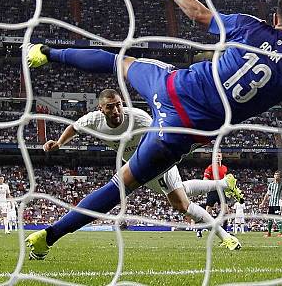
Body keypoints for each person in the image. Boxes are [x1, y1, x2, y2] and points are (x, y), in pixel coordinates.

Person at [24, 0, 282, 256]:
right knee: (121, 185)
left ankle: (45, 53)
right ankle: (48, 237)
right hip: (180, 131)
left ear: (275, 19)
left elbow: (198, 15)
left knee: (116, 62)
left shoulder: (250, 27)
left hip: (170, 85)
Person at [25, 89, 243, 259]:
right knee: (181, 192)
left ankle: (226, 236)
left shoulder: (137, 117)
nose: (116, 111)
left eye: (119, 105)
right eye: (110, 107)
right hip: (136, 166)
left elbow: (162, 135)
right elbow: (74, 127)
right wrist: (59, 143)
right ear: (101, 109)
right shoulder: (93, 120)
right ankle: (223, 184)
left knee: (182, 205)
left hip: (157, 159)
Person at [196, 152, 233, 238]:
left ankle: (225, 231)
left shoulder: (224, 168)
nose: (217, 157)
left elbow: (225, 179)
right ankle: (199, 230)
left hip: (221, 191)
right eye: (216, 156)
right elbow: (205, 178)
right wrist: (206, 185)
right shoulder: (210, 167)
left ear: (221, 158)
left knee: (225, 210)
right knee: (208, 211)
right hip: (212, 190)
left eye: (219, 156)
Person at [260, 171, 282, 237]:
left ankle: (280, 233)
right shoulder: (271, 184)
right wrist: (263, 203)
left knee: (278, 218)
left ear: (279, 177)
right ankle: (269, 233)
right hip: (271, 204)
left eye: (278, 175)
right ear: (274, 176)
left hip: (278, 203)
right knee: (270, 219)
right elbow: (267, 194)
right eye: (275, 175)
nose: (276, 176)